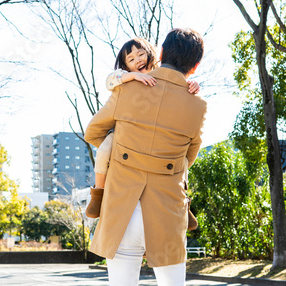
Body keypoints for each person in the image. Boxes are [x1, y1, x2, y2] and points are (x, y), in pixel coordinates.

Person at [84, 28, 207, 286]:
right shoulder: (197, 104)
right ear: (194, 67)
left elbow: (93, 132)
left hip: (121, 208)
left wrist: (123, 150)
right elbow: (189, 157)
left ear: (160, 53)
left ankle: (98, 192)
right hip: (167, 211)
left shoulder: (127, 89)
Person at [85, 37, 199, 231]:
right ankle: (98, 194)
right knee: (104, 150)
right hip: (124, 133)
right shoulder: (126, 81)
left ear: (151, 55)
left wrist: (192, 85)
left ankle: (184, 201)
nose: (137, 60)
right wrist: (132, 77)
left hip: (157, 134)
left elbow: (179, 89)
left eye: (141, 54)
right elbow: (109, 80)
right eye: (131, 59)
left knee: (181, 157)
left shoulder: (163, 76)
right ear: (126, 67)